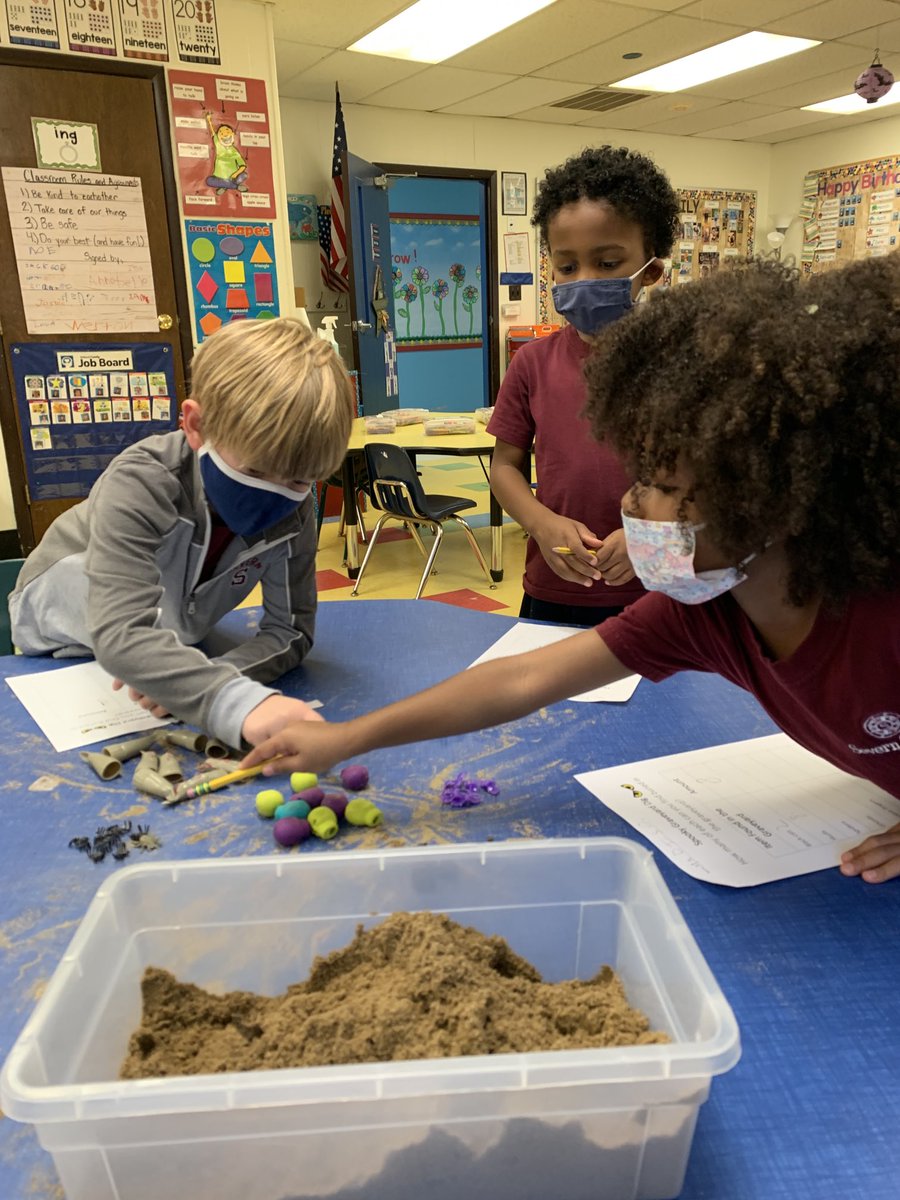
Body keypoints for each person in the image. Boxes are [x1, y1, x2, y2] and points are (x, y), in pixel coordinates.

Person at [242, 257, 900, 885]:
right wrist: (345, 738)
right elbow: (527, 677)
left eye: (660, 485)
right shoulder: (704, 615)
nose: (630, 503)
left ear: (766, 501)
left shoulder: (881, 617)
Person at [11, 317, 355, 750]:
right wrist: (230, 699)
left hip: (174, 641)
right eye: (254, 471)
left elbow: (289, 632)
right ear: (196, 427)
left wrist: (206, 679)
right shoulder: (143, 480)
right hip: (58, 648)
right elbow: (121, 634)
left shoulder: (296, 512)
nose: (275, 496)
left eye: (300, 481)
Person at [488, 145, 679, 627]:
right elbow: (505, 468)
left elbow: (716, 480)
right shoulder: (532, 364)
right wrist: (540, 521)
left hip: (660, 588)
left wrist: (650, 538)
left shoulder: (682, 364)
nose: (584, 280)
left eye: (609, 262)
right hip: (558, 585)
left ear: (651, 270)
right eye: (568, 267)